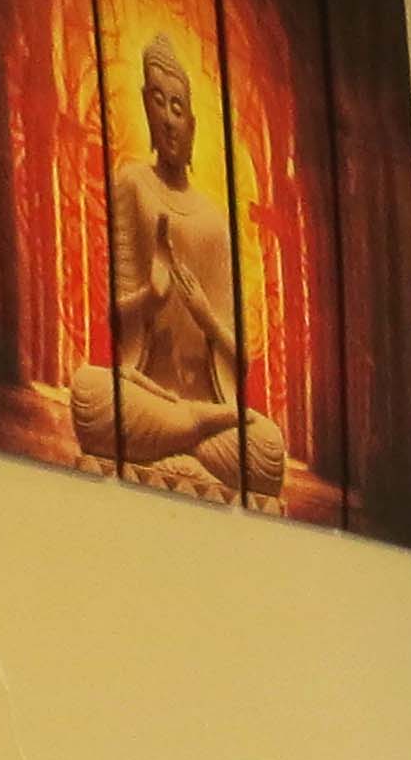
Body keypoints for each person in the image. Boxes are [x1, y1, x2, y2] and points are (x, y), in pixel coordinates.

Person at [66, 35, 286, 500]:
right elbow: (118, 314)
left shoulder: (215, 220)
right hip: (147, 393)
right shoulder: (131, 185)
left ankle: (180, 434)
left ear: (193, 124)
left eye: (178, 108)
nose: (168, 119)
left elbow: (240, 357)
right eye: (159, 103)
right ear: (146, 109)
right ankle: (191, 429)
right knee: (89, 394)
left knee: (267, 447)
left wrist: (205, 314)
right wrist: (153, 294)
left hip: (208, 405)